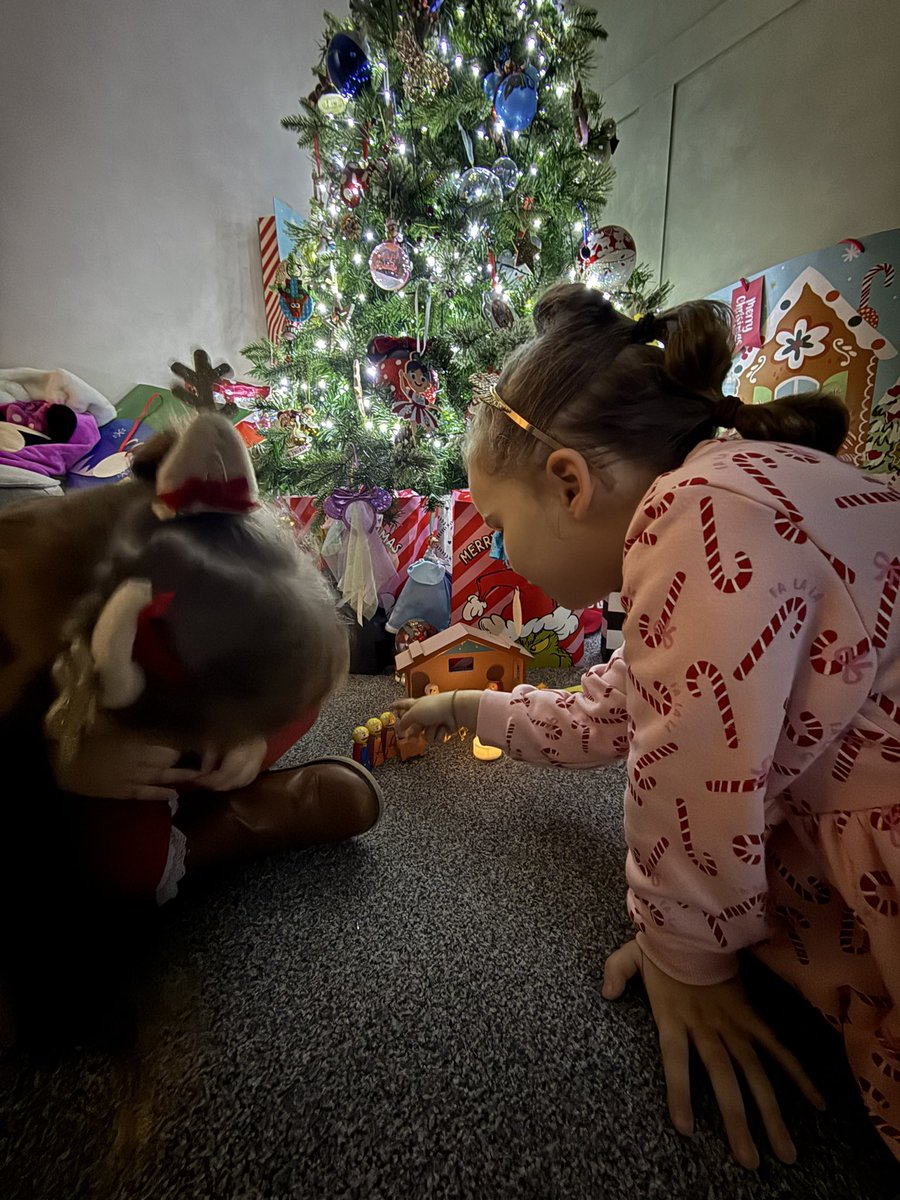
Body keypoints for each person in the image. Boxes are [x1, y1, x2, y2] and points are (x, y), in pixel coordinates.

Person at [394, 283, 900, 1170]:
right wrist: (467, 706)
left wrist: (683, 957)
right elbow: (615, 713)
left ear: (568, 484)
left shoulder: (693, 512)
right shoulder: (726, 497)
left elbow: (692, 767)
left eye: (499, 524)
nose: (499, 552)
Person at [0, 413, 381, 1049]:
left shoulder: (205, 550)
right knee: (126, 880)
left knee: (293, 691)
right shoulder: (24, 599)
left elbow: (296, 673)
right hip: (56, 770)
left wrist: (250, 739)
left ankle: (222, 776)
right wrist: (59, 760)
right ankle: (224, 829)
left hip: (152, 716)